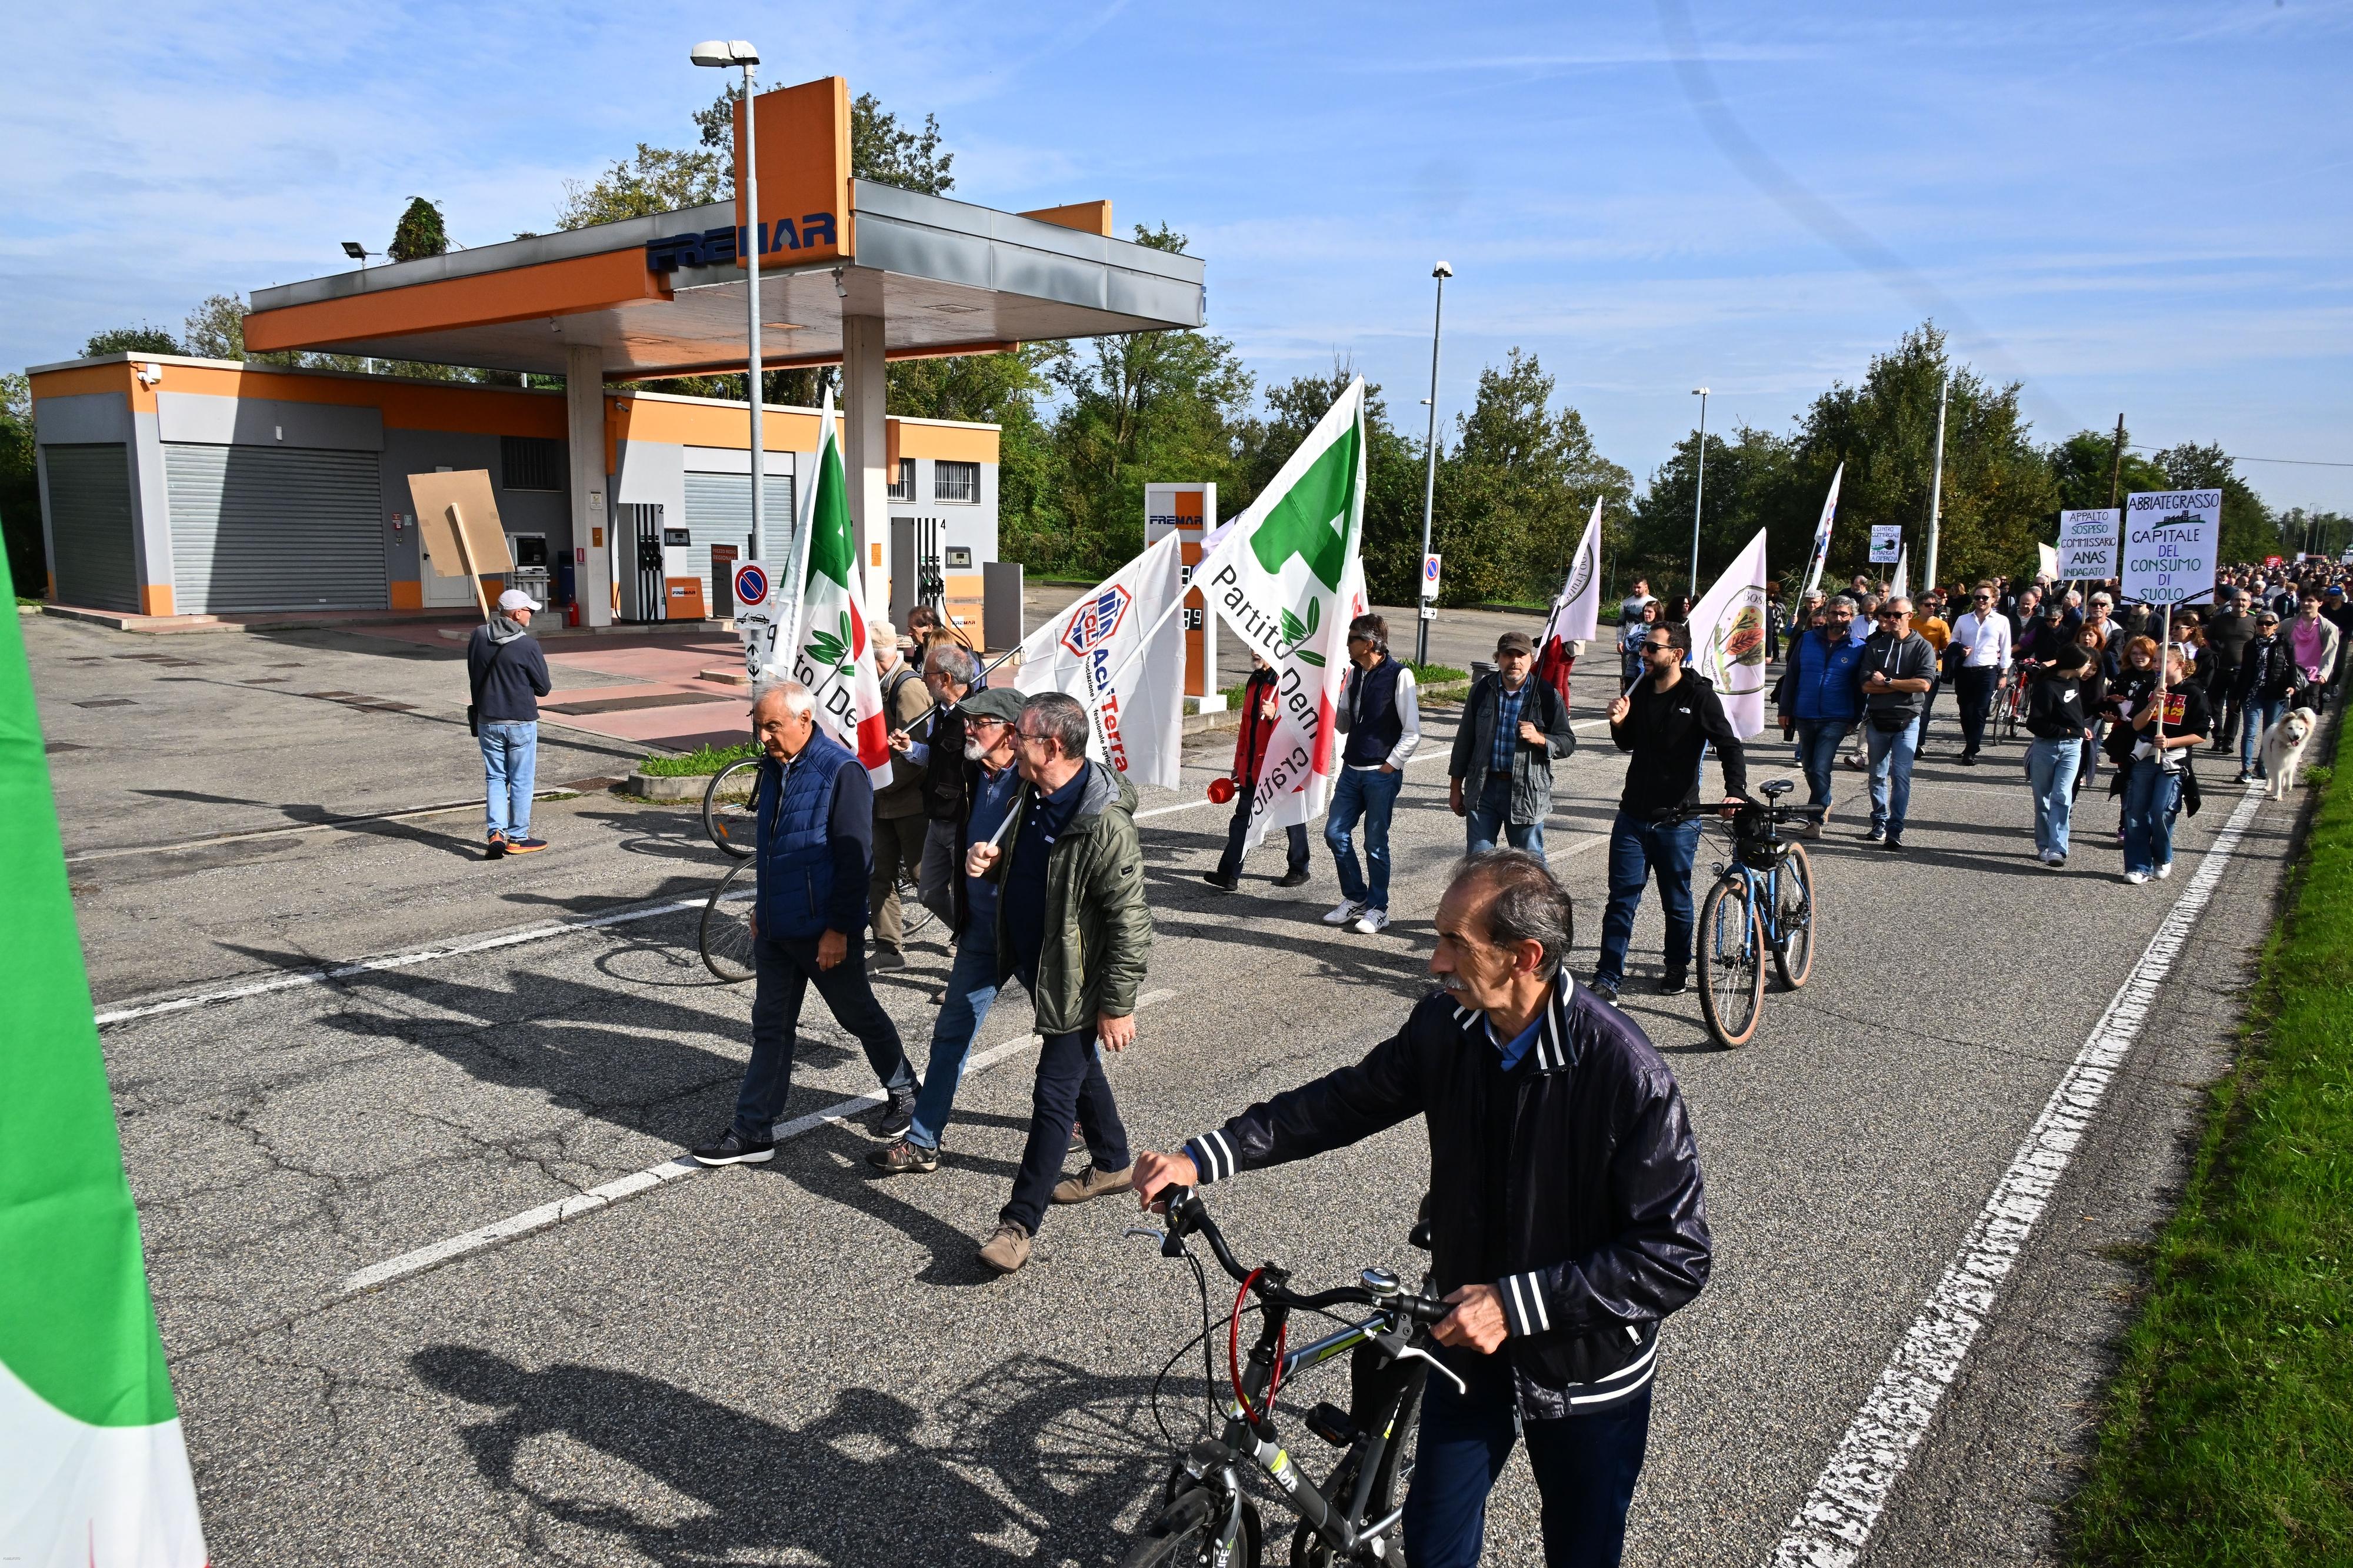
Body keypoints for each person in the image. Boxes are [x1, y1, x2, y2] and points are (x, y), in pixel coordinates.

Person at [1126, 852, 1712, 1568]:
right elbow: (1340, 1102)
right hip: (1465, 1338)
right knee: (1433, 1544)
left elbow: (1674, 1254)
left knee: (1581, 1550)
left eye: (1453, 943)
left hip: (1586, 1365)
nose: (1434, 961)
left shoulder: (1623, 1070)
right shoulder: (1448, 1026)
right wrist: (1204, 1155)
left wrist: (1514, 1304)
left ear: (1524, 955)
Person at [691, 682, 922, 1166]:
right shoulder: (775, 769)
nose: (764, 738)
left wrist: (840, 929)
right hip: (777, 928)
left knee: (856, 1014)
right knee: (771, 1028)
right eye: (759, 727)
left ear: (805, 720)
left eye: (773, 726)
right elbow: (773, 849)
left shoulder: (841, 771)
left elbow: (856, 858)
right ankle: (753, 1131)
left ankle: (905, 1090)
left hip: (823, 932)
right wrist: (762, 907)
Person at [961, 691, 1151, 1273]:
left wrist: (1115, 1005)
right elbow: (1039, 865)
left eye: (1020, 735)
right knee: (1078, 1069)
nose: (1009, 742)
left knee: (1052, 1094)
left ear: (1053, 745)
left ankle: (1017, 1223)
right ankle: (1114, 1159)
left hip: (1078, 980)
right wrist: (993, 862)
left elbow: (1130, 922)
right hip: (1035, 963)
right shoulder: (1031, 791)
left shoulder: (1102, 825)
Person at [868, 687, 1029, 1177]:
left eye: (979, 722)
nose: (969, 729)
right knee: (950, 1035)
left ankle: (1090, 1119)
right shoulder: (970, 771)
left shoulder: (1035, 781)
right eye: (967, 721)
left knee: (1066, 1036)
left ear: (1009, 730)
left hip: (1029, 931)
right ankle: (922, 1140)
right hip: (979, 931)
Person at [1594, 622, 1747, 1003]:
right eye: (1642, 647)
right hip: (1632, 815)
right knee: (1621, 900)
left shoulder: (1698, 697)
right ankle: (1608, 978)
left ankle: (1677, 966)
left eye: (1650, 648)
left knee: (1676, 901)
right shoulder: (1641, 689)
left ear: (1676, 654)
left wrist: (1736, 792)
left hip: (1677, 822)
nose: (1642, 654)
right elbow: (1629, 742)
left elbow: (1729, 745)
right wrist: (1618, 724)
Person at [1326, 613, 1421, 936]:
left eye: (1352, 639)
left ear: (1368, 644)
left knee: (1375, 844)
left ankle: (1379, 909)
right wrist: (1333, 697)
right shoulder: (1354, 674)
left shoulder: (1399, 675)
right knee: (1335, 834)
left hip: (1381, 773)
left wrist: (1391, 765)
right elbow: (1344, 725)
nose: (1347, 644)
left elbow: (1412, 732)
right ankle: (1356, 898)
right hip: (1352, 770)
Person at [1451, 630, 1577, 859]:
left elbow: (1567, 742)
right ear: (1497, 658)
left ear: (1532, 659)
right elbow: (1464, 742)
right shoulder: (1481, 691)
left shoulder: (1547, 695)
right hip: (1483, 789)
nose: (1515, 661)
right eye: (1509, 655)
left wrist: (1541, 739)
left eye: (1521, 655)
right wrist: (1455, 788)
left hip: (1526, 792)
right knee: (1478, 864)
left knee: (1529, 866)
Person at [1204, 653, 1312, 890]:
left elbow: (1303, 727)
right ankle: (1229, 874)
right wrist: (1238, 763)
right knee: (1242, 819)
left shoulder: (1289, 682)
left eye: (1259, 647)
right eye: (1251, 646)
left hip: (1282, 767)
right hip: (1252, 767)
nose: (1254, 650)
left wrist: (1278, 716)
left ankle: (1299, 868)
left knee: (1292, 818)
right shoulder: (1254, 681)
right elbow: (1245, 728)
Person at [865, 620, 935, 969]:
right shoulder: (879, 683)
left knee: (928, 881)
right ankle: (888, 950)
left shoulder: (906, 688)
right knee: (880, 874)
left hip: (908, 803)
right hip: (882, 799)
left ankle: (971, 945)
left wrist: (882, 786)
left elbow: (919, 755)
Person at [466, 587, 554, 859]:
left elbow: (473, 672)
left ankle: (496, 832)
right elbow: (544, 688)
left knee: (495, 776)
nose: (531, 615)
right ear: (516, 613)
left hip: (487, 719)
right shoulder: (527, 644)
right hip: (520, 720)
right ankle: (517, 837)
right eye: (528, 610)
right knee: (521, 780)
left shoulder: (479, 635)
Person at [2118, 649, 2209, 886]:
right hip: (2145, 756)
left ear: (2179, 665)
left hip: (2173, 760)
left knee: (2162, 810)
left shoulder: (2193, 692)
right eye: (2156, 660)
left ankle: (2162, 856)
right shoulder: (2150, 688)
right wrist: (2152, 705)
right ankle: (2138, 866)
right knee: (2135, 811)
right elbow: (2136, 725)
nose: (2157, 665)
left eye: (2163, 661)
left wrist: (2170, 742)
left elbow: (2200, 735)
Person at [905, 642, 982, 923]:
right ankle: (964, 933)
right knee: (928, 893)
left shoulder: (976, 716)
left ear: (946, 679)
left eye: (927, 673)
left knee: (968, 891)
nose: (922, 679)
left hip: (962, 819)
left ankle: (971, 944)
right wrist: (908, 749)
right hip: (937, 815)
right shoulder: (939, 711)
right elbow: (934, 758)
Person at [1776, 593, 1862, 831]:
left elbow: (1860, 688)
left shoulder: (1859, 647)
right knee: (1808, 766)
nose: (1838, 618)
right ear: (1827, 613)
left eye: (1844, 614)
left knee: (1821, 766)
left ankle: (1815, 819)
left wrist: (1856, 717)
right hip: (1804, 713)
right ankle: (1825, 800)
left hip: (1837, 716)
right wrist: (1786, 709)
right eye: (1834, 612)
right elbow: (1791, 676)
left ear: (1852, 617)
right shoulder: (1806, 640)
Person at [1858, 598, 1935, 851]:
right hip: (1878, 720)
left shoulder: (1923, 647)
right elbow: (1866, 686)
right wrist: (1902, 685)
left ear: (1909, 615)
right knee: (1877, 775)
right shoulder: (1876, 646)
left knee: (1901, 776)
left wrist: (1888, 681)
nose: (1892, 619)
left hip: (1908, 720)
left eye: (1897, 615)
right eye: (1888, 614)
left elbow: (1923, 684)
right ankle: (1879, 821)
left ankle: (1895, 828)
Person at [2024, 643, 2096, 868]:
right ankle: (2044, 846)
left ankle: (2058, 849)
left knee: (2063, 797)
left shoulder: (2074, 682)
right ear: (2075, 664)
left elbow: (2073, 712)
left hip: (2073, 747)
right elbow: (2036, 723)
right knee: (2043, 799)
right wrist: (2065, 730)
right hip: (2046, 746)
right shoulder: (2046, 686)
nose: (2088, 668)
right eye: (2086, 664)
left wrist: (2078, 728)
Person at [1949, 582, 2012, 765]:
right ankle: (1971, 743)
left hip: (1988, 671)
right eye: (1977, 597)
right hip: (1965, 670)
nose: (1981, 601)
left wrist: (2004, 673)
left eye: (1985, 598)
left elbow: (2005, 648)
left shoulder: (2001, 621)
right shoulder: (1963, 620)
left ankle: (1971, 749)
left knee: (1980, 711)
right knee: (1965, 711)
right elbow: (1954, 640)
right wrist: (1960, 649)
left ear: (1993, 599)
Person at [2234, 609, 2296, 784]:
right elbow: (2245, 671)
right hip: (2253, 693)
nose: (2264, 626)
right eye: (2261, 623)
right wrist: (2236, 695)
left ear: (2276, 626)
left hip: (2275, 694)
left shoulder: (2285, 644)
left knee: (2270, 732)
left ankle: (2261, 765)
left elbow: (2292, 667)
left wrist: (2291, 686)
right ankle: (2246, 769)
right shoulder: (2251, 645)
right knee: (2249, 732)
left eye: (2268, 623)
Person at [2203, 588, 2255, 753]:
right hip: (2219, 669)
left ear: (2249, 604)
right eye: (2237, 600)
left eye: (2244, 600)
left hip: (2240, 672)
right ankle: (2218, 737)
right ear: (2231, 602)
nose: (2240, 603)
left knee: (2234, 707)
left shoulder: (2253, 622)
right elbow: (2207, 639)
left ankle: (2229, 740)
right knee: (2214, 707)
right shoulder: (2219, 620)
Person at [1912, 590, 1952, 752]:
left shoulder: (1941, 625)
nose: (1932, 607)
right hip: (1911, 669)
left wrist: (1938, 653)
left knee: (1924, 708)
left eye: (1934, 605)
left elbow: (1949, 647)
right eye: (1928, 605)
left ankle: (1918, 743)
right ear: (1919, 606)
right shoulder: (1911, 623)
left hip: (1933, 670)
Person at [2290, 591, 2342, 710]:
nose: (2306, 603)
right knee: (2288, 719)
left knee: (2307, 718)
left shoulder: (2329, 628)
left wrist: (2324, 673)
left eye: (2310, 601)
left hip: (2312, 677)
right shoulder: (2288, 624)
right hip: (2290, 674)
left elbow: (2330, 652)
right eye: (2303, 601)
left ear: (2320, 603)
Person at [1619, 600, 1659, 686]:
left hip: (1651, 667)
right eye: (1645, 611)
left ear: (1657, 613)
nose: (1646, 614)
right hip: (1633, 667)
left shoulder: (1660, 630)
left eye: (1650, 612)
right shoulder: (1637, 628)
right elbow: (1628, 646)